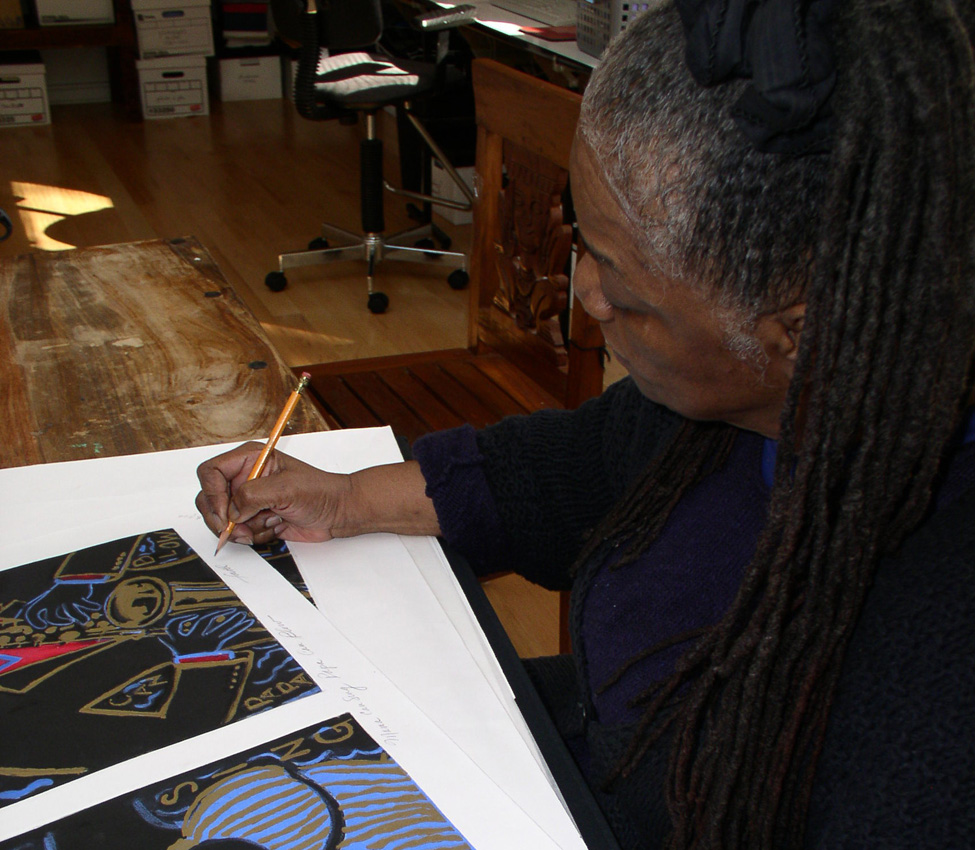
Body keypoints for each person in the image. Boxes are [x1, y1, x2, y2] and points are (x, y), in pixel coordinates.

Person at [197, 0, 975, 847]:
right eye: (586, 243)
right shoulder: (713, 414)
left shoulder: (933, 707)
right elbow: (578, 464)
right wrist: (345, 498)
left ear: (803, 330)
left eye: (620, 283)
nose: (584, 295)